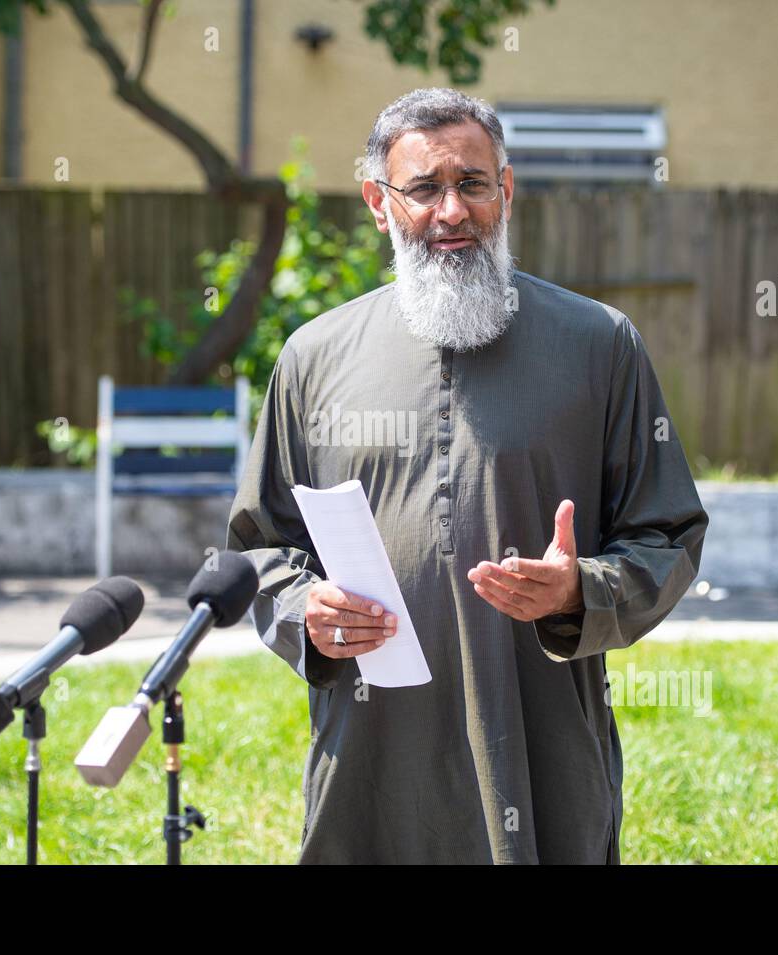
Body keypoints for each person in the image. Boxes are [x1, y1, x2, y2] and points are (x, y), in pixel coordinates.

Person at [225, 87, 708, 863]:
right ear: (379, 205)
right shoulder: (314, 359)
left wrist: (582, 587)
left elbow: (669, 533)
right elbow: (258, 544)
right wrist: (301, 609)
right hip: (371, 754)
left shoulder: (599, 345)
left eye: (472, 184)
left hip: (541, 744)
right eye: (423, 189)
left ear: (506, 192)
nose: (451, 211)